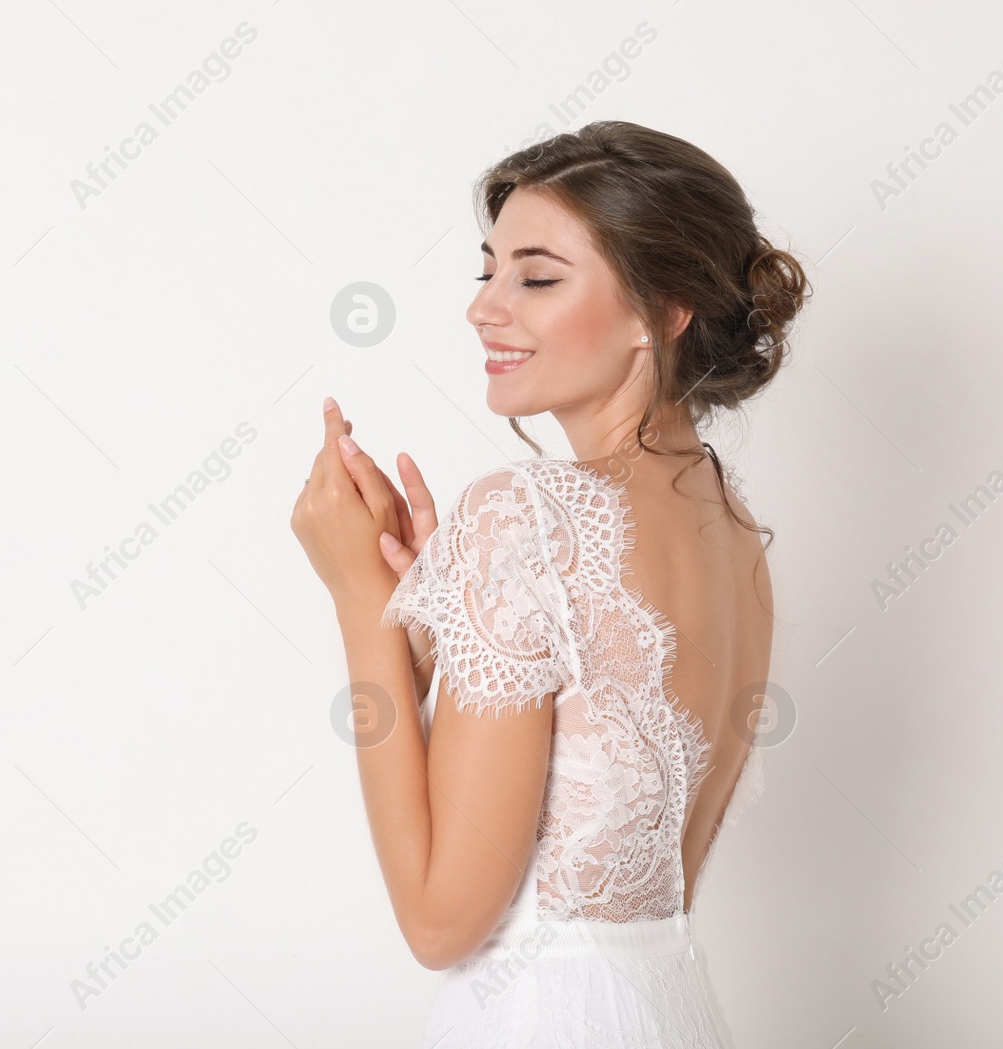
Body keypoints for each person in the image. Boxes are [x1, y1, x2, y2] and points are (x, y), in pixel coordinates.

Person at [290, 120, 808, 1047]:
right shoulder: (739, 540)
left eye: (536, 276)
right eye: (486, 271)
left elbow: (441, 924)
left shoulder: (521, 518)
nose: (486, 307)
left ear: (667, 308)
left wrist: (362, 602)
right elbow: (638, 882)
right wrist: (441, 640)